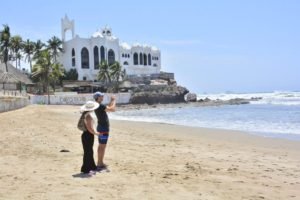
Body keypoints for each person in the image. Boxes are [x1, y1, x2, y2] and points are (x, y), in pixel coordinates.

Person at [93, 91, 116, 170]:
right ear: (98, 98)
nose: (102, 97)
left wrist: (110, 102)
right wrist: (114, 101)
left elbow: (107, 108)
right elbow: (112, 109)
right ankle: (99, 163)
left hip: (101, 127)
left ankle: (100, 162)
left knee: (101, 145)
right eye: (101, 96)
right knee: (102, 146)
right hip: (103, 128)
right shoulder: (100, 105)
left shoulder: (97, 105)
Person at [80, 101, 100, 175]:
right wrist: (96, 133)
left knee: (88, 151)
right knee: (88, 152)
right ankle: (87, 169)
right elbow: (89, 128)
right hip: (88, 135)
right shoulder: (88, 116)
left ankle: (90, 167)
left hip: (85, 135)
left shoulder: (84, 114)